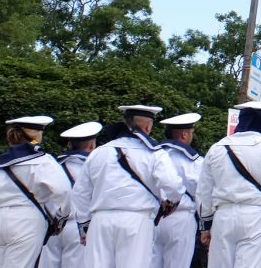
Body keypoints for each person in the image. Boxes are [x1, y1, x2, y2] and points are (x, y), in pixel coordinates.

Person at [72, 105, 184, 268]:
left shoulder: (100, 152)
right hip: (136, 220)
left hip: (100, 219)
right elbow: (173, 184)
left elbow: (80, 193)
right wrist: (172, 202)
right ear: (148, 126)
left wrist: (84, 226)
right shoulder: (155, 153)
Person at [196, 100, 261, 268]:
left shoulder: (217, 148)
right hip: (255, 214)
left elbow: (204, 191)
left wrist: (205, 225)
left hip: (223, 215)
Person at [0, 115, 71, 268]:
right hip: (25, 219)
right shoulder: (42, 160)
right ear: (37, 136)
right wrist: (62, 216)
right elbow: (64, 191)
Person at [39, 120, 101, 268]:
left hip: (53, 227)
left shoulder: (53, 165)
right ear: (92, 144)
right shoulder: (95, 166)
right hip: (80, 227)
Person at [152, 112, 203, 268]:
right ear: (184, 134)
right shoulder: (193, 160)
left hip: (154, 218)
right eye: (191, 133)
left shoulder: (154, 154)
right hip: (180, 218)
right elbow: (202, 190)